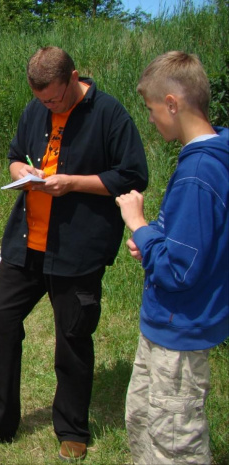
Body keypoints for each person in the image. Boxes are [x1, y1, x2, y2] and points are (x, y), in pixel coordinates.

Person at [0, 46, 148, 462]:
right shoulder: (34, 110)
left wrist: (73, 183)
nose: (48, 106)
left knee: (73, 337)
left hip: (78, 249)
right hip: (24, 243)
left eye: (54, 98)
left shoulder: (110, 114)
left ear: (74, 77)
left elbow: (132, 176)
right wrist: (19, 171)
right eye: (41, 100)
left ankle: (73, 428)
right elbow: (14, 157)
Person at [116, 51, 228, 465]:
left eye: (150, 109)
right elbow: (198, 239)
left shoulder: (199, 173)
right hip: (169, 324)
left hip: (179, 326)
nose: (150, 120)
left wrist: (138, 224)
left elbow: (180, 269)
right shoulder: (215, 156)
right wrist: (151, 240)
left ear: (172, 104)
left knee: (174, 441)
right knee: (145, 418)